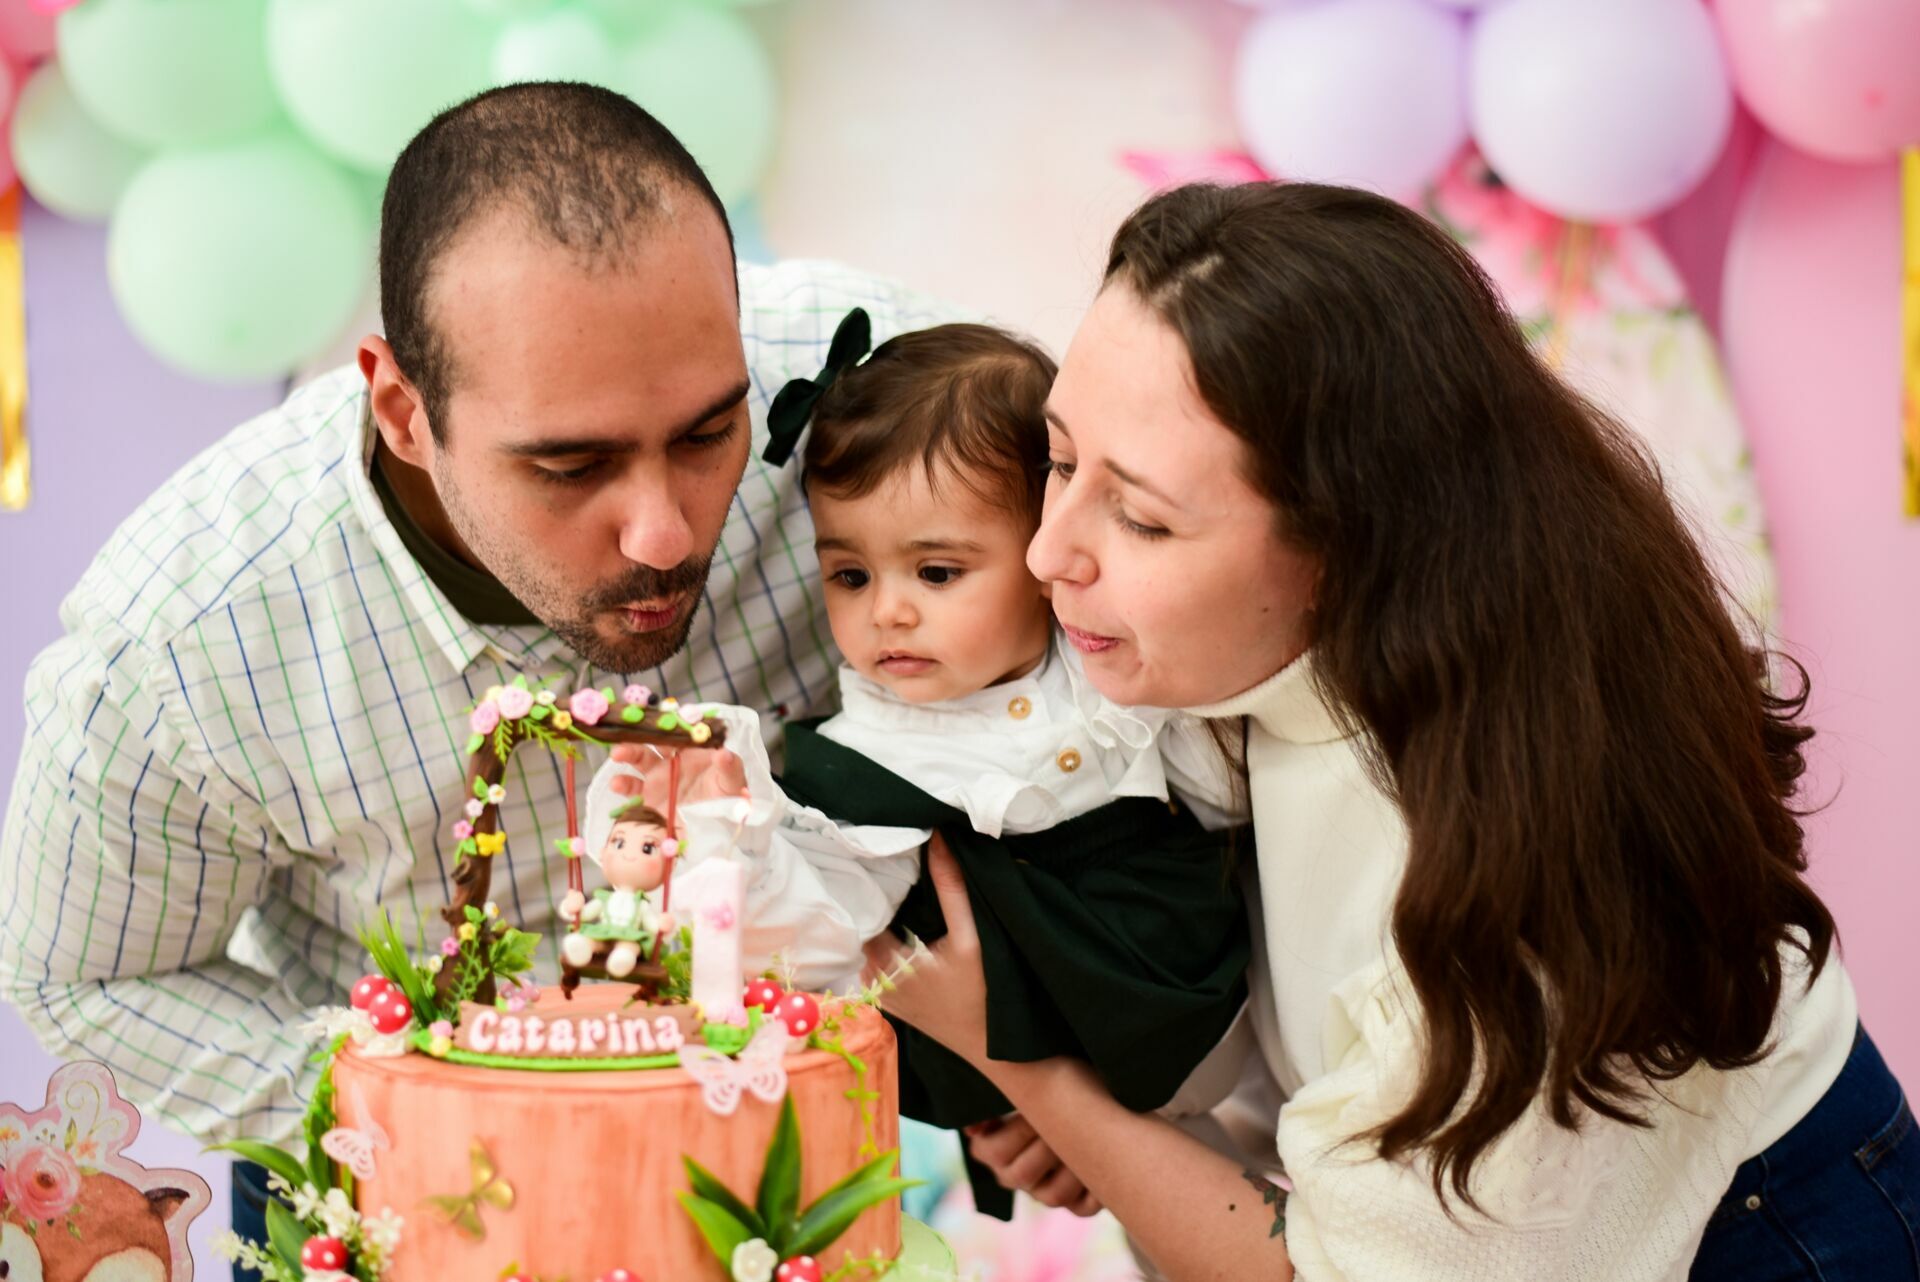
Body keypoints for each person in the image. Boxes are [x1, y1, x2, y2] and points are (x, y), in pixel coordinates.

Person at [870, 181, 1915, 1281]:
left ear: (1343, 541)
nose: (1049, 553)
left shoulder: (1513, 880)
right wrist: (1114, 1124)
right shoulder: (1244, 659)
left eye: (1140, 515)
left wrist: (1031, 1061)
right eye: (1061, 461)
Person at [0, 81, 955, 1247]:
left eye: (709, 432)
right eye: (569, 464)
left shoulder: (886, 395)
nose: (664, 530)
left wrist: (1038, 1042)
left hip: (773, 1176)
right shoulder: (186, 642)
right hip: (401, 1201)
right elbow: (84, 978)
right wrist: (428, 1103)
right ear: (404, 409)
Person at [597, 316, 1251, 1217]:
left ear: (1046, 549)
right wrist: (734, 842)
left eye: (937, 573)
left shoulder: (1112, 662)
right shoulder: (869, 759)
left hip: (1212, 989)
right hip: (1050, 1058)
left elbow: (1231, 778)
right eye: (851, 576)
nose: (888, 613)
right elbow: (831, 927)